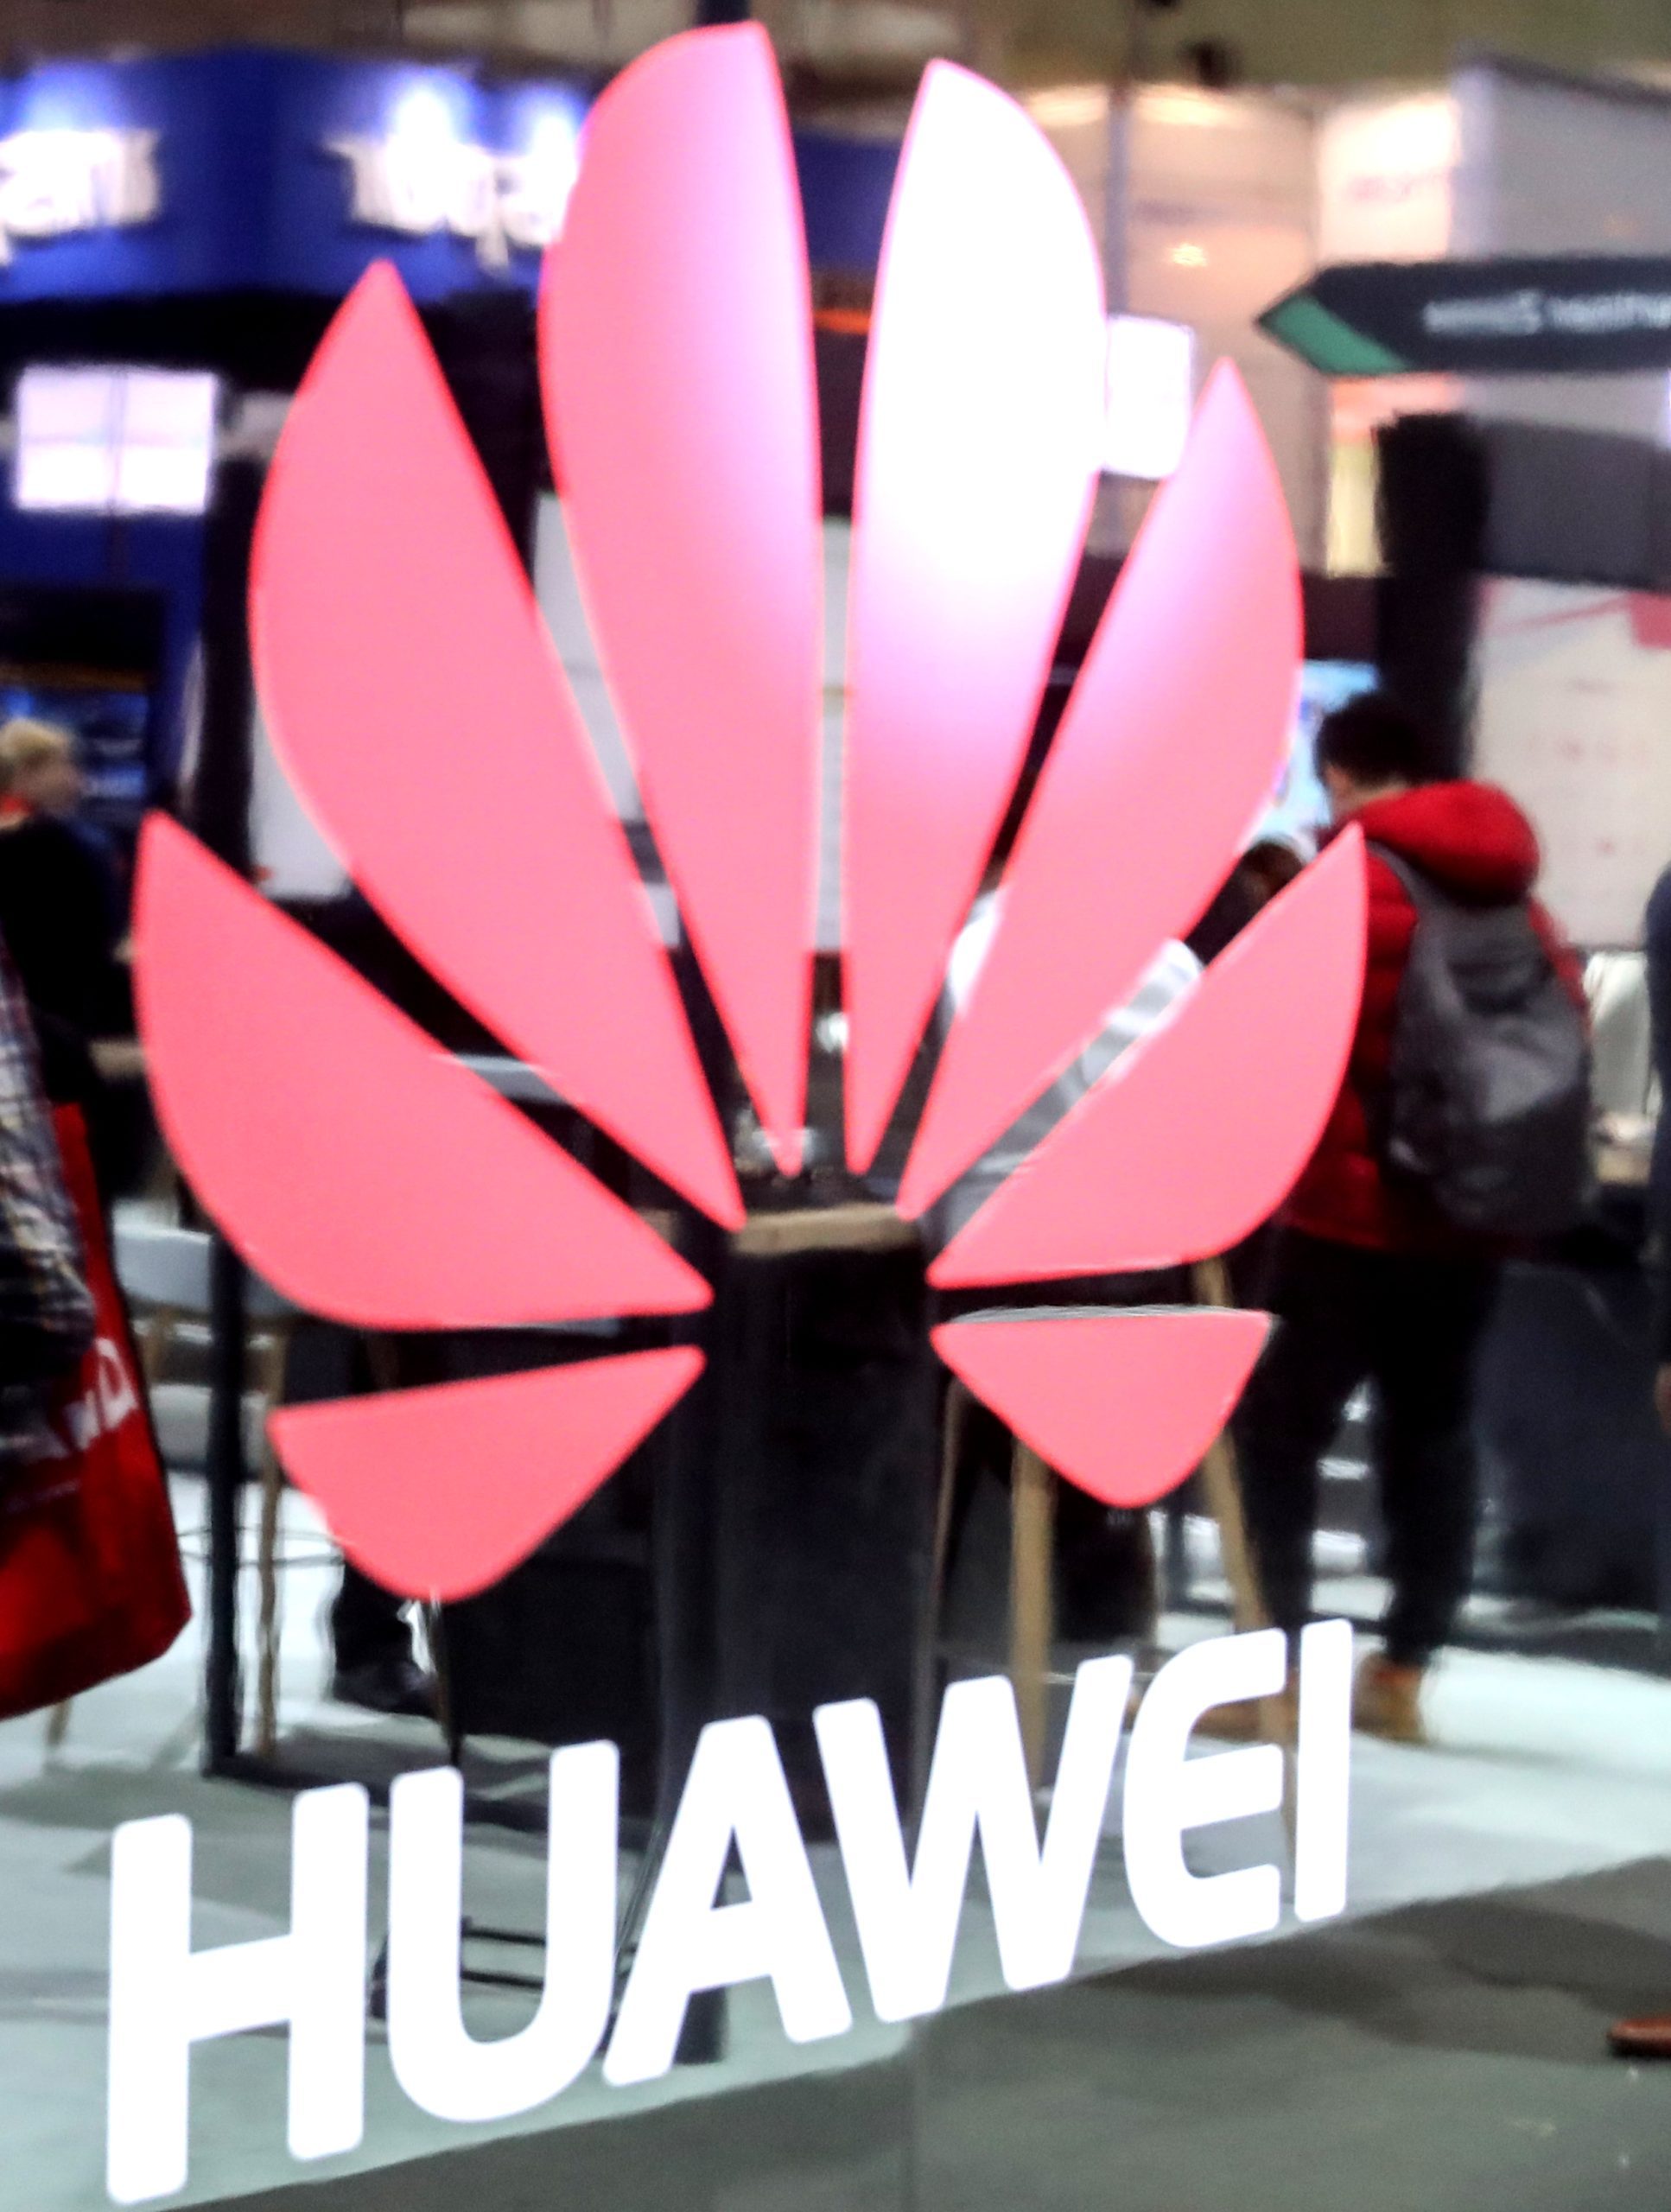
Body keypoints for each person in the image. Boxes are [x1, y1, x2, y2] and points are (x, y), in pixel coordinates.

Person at [1233, 692, 1581, 1744]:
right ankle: (1401, 1671)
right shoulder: (1514, 894)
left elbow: (1277, 1035)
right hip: (1466, 1216)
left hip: (1346, 1215)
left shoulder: (1343, 879)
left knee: (1274, 1436)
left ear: (1337, 774)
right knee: (1430, 1432)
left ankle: (1270, 1674)